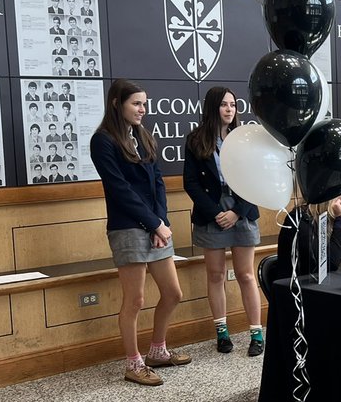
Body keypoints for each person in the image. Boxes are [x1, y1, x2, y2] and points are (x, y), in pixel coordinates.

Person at [90, 79, 189, 386]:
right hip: (128, 227)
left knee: (173, 293)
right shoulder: (103, 141)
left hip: (154, 225)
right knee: (135, 300)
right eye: (136, 103)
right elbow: (119, 189)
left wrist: (161, 222)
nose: (142, 109)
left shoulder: (143, 135)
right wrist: (153, 223)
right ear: (116, 104)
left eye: (144, 103)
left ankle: (158, 351)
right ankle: (133, 363)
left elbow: (157, 181)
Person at [182, 87, 265, 357]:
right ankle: (222, 332)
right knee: (216, 275)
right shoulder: (196, 140)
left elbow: (256, 180)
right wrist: (216, 211)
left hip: (242, 211)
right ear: (212, 108)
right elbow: (191, 183)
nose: (229, 109)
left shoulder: (244, 139)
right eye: (224, 105)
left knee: (246, 274)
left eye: (233, 105)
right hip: (212, 213)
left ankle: (256, 333)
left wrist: (237, 212)